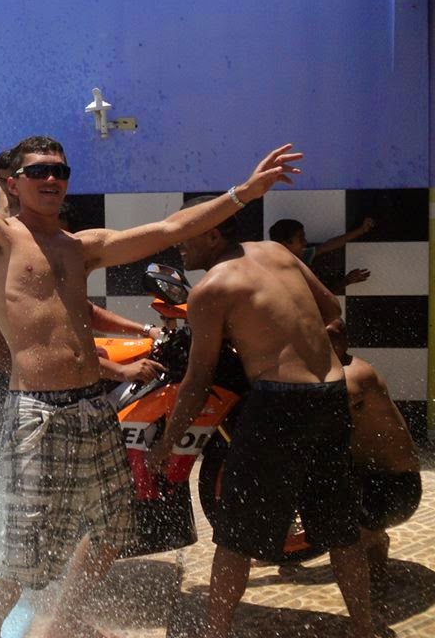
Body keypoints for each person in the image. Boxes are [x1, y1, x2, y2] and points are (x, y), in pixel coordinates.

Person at [0, 76, 299, 638]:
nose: (52, 179)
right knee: (24, 556)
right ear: (14, 182)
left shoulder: (80, 247)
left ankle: (64, 617)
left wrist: (244, 192)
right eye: (40, 171)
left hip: (93, 409)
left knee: (114, 529)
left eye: (60, 170)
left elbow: (170, 228)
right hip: (37, 413)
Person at [145, 198, 375, 638]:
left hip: (278, 406)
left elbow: (198, 379)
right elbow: (331, 310)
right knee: (340, 528)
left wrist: (166, 445)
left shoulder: (211, 288)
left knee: (235, 535)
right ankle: (364, 629)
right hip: (329, 396)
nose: (177, 244)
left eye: (185, 235)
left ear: (212, 233)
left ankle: (215, 633)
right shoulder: (276, 252)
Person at [0, 93, 161, 451]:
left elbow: (78, 316)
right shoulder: (5, 234)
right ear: (15, 183)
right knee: (9, 458)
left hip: (6, 377)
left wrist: (146, 330)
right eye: (36, 173)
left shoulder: (43, 237)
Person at [326, 318, 422, 586]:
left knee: (353, 539)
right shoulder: (332, 371)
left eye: (331, 336)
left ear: (346, 341)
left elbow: (322, 409)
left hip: (398, 486)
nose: (324, 342)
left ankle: (375, 581)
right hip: (373, 479)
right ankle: (375, 554)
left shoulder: (355, 374)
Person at [269, 216, 375, 289]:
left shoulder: (300, 256)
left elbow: (328, 245)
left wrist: (361, 230)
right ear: (285, 244)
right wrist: (347, 280)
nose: (305, 242)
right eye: (300, 239)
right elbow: (316, 298)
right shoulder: (277, 272)